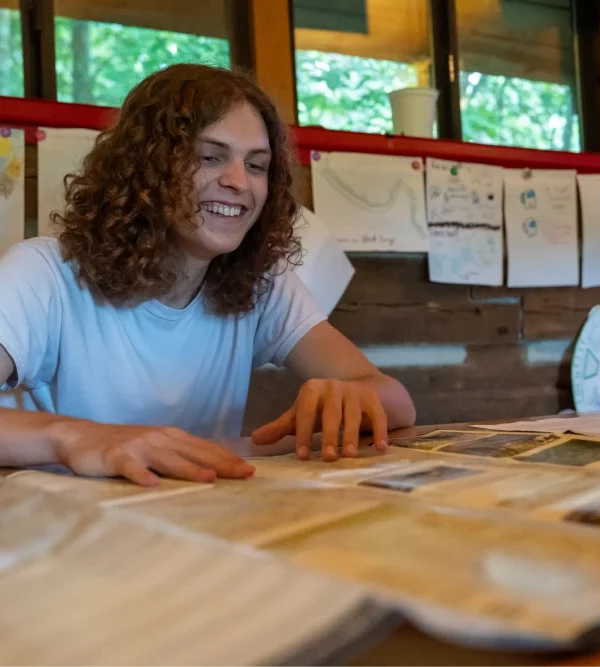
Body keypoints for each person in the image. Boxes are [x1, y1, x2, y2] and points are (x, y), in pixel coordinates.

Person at [0, 64, 416, 487]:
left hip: (198, 528)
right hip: (63, 536)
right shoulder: (44, 272)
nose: (238, 182)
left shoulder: (261, 281)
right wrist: (75, 437)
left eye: (256, 166)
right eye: (210, 157)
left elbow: (398, 403)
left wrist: (355, 395)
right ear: (144, 168)